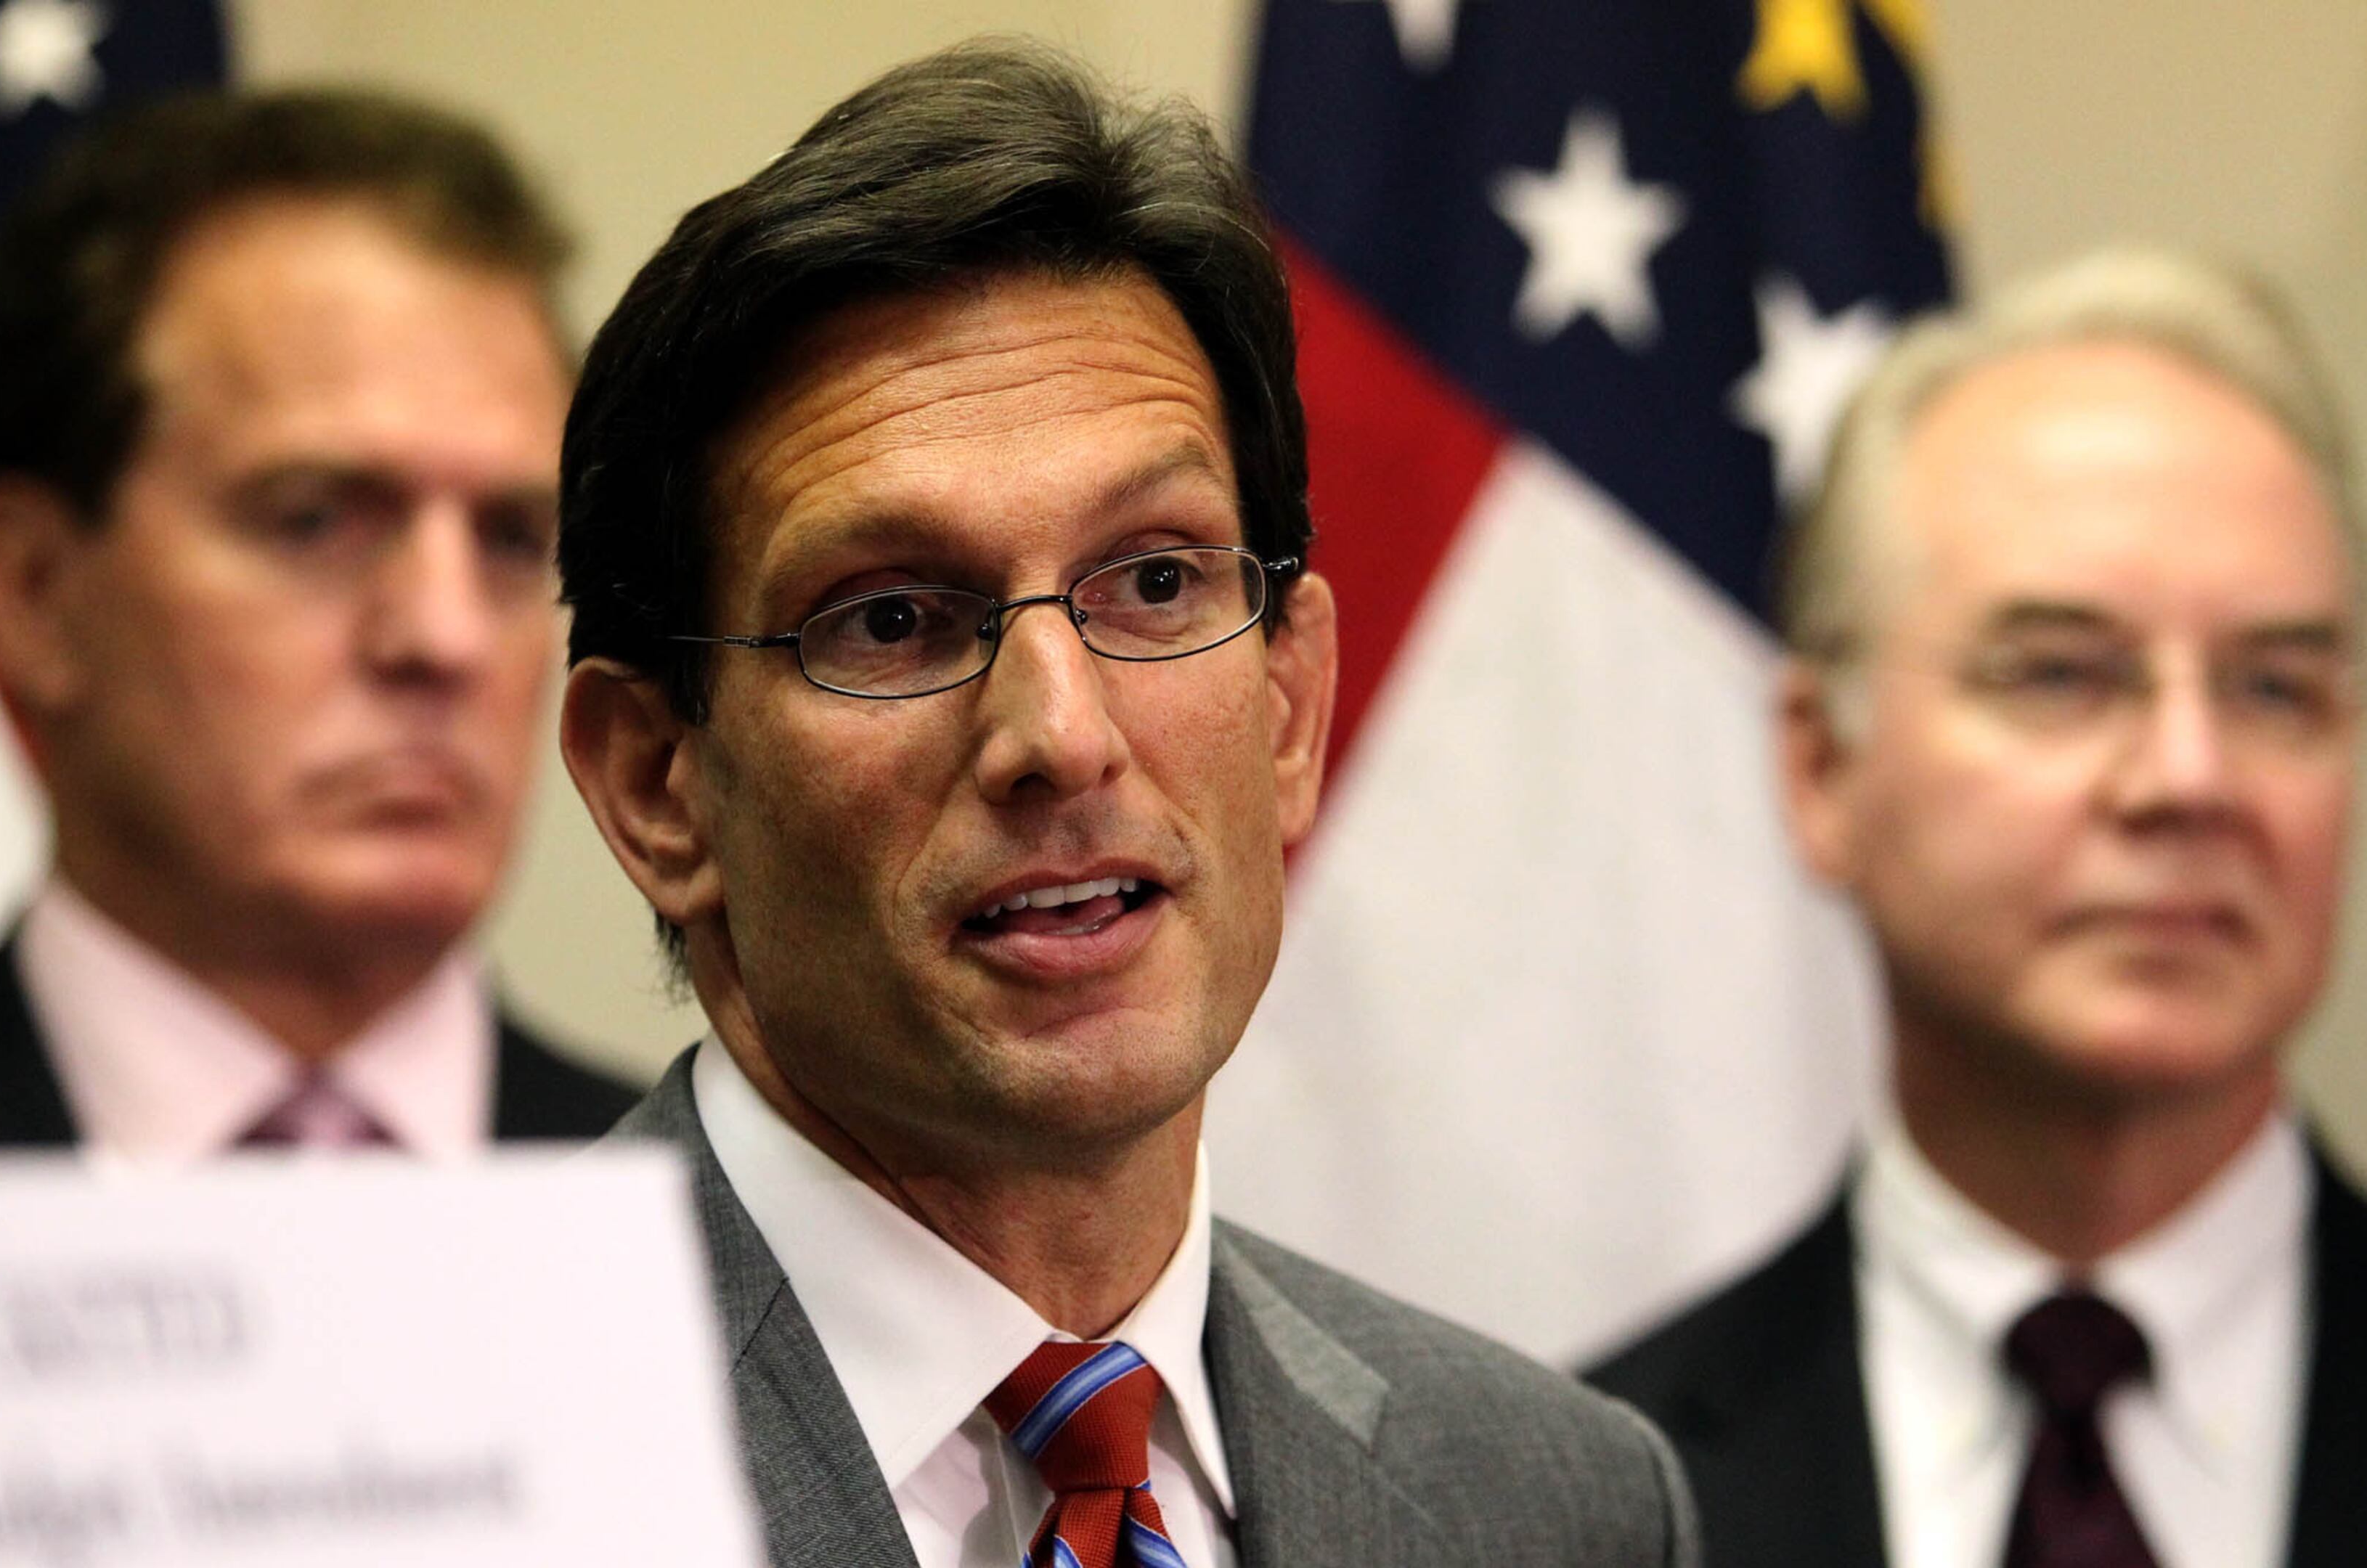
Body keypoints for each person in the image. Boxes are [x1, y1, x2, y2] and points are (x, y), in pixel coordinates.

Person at [556, 40, 1695, 1568]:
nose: (1062, 733)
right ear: (657, 785)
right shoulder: (396, 1465)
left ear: (1290, 708)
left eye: (1157, 582)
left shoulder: (1560, 1507)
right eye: (893, 618)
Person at [1589, 248, 2367, 1567]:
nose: (2189, 780)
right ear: (1821, 765)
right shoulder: (1581, 1501)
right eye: (2061, 675)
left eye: (2277, 690)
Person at [0, 89, 635, 1156]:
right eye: (315, 518)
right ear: (34, 592)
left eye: (512, 539)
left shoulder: (738, 1239)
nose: (443, 636)